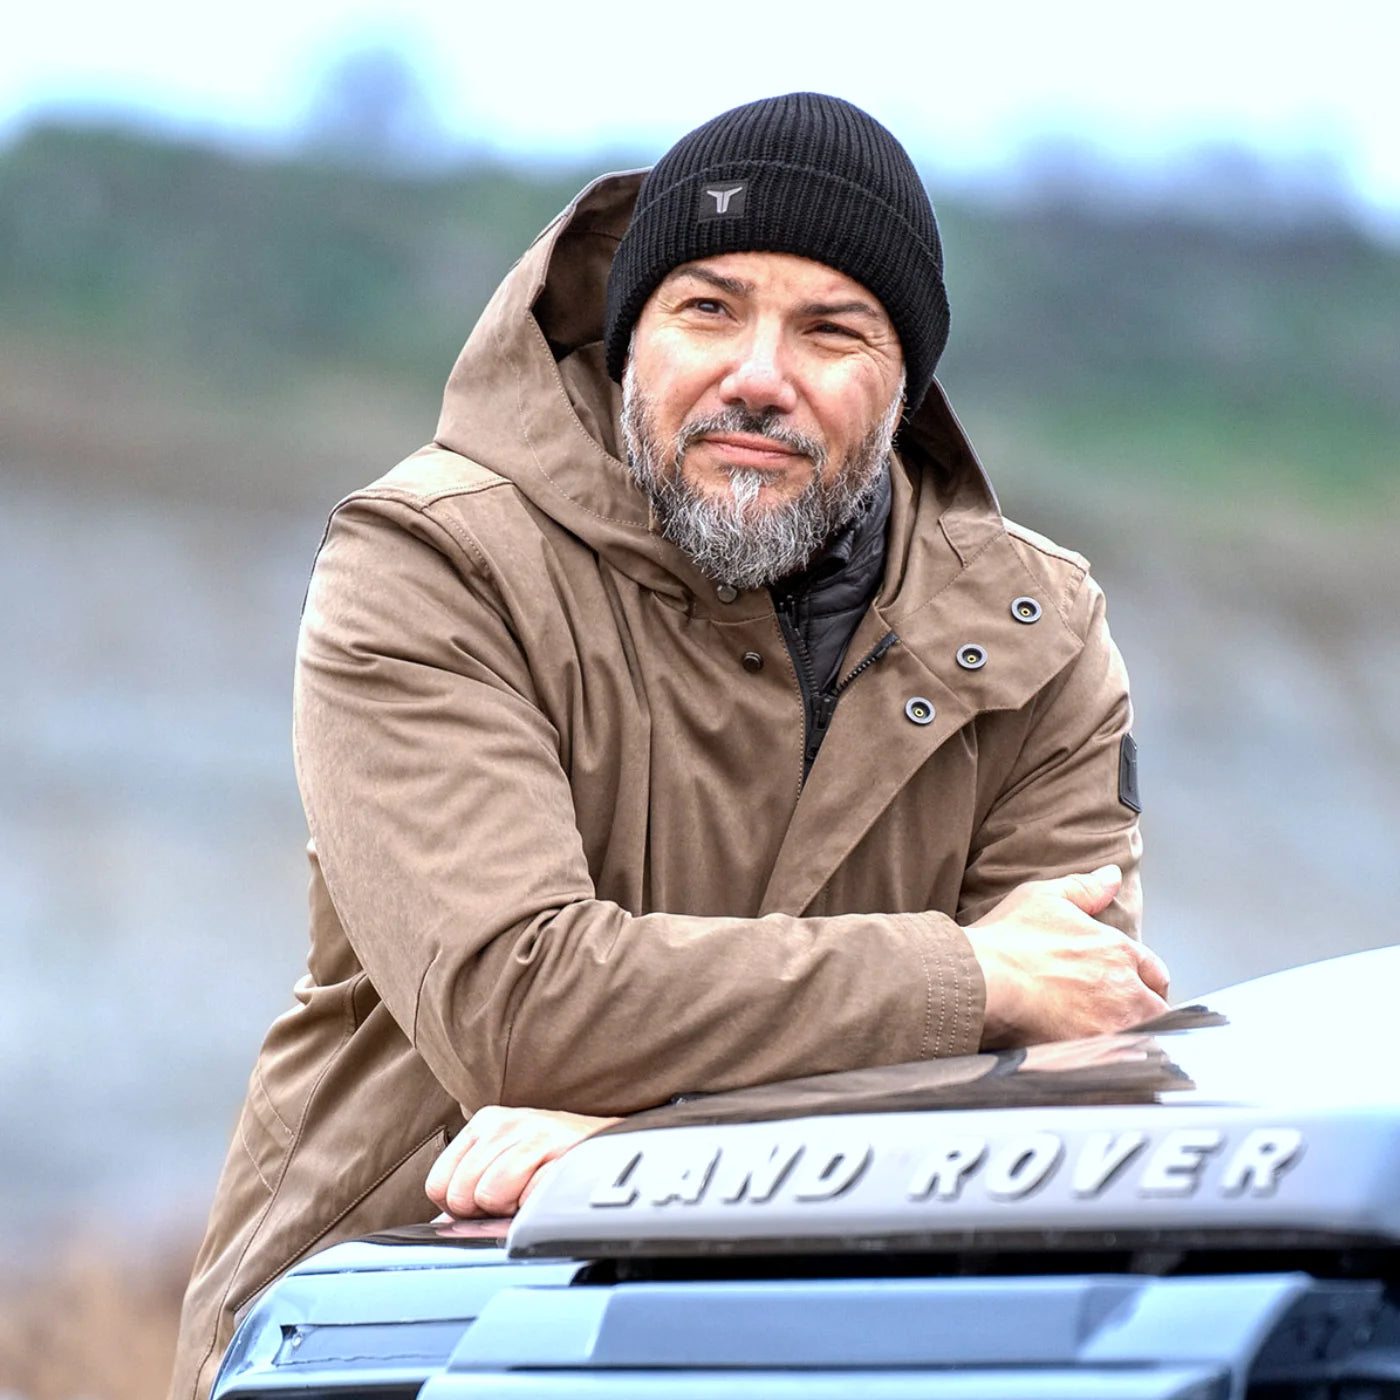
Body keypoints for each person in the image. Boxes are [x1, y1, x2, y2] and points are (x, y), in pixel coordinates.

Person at [170, 92, 1167, 1400]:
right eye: (709, 309)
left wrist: (636, 1132)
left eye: (831, 330)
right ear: (629, 335)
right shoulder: (429, 565)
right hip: (399, 1327)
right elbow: (521, 1007)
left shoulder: (1035, 627)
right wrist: (964, 983)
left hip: (840, 1354)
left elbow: (1077, 1057)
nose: (760, 372)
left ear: (906, 381)